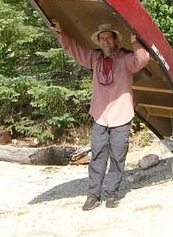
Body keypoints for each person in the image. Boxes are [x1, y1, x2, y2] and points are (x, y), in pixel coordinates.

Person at [51, 19, 149, 210]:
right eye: (102, 39)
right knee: (97, 156)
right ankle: (93, 195)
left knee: (118, 156)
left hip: (121, 116)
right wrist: (61, 33)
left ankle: (112, 194)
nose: (105, 42)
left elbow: (142, 60)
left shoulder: (125, 59)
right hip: (100, 116)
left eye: (108, 39)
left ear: (115, 41)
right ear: (98, 41)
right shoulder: (94, 58)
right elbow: (73, 49)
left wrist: (136, 41)